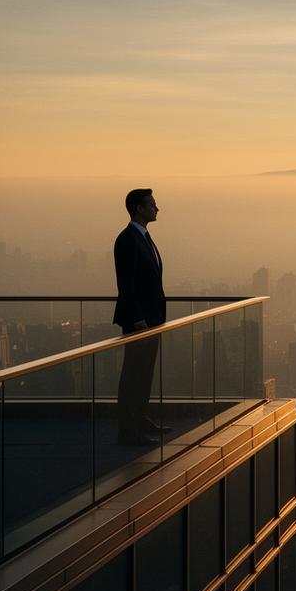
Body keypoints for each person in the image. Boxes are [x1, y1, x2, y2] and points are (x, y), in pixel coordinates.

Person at [113, 188, 169, 444]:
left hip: (151, 320)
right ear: (139, 208)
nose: (157, 209)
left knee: (144, 372)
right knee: (133, 374)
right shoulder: (127, 240)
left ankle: (140, 418)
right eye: (152, 205)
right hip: (140, 322)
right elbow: (127, 285)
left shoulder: (143, 237)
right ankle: (128, 429)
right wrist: (138, 320)